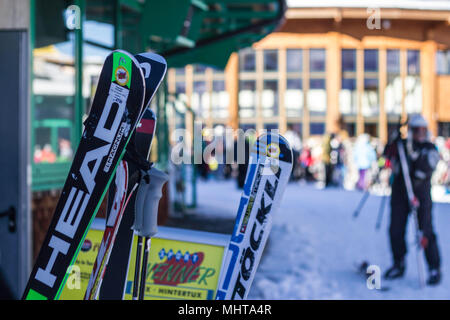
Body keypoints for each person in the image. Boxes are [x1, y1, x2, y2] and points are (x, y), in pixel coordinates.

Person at [383, 114, 442, 285]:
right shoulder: (401, 145)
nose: (419, 134)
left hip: (421, 194)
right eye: (416, 130)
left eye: (422, 130)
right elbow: (387, 156)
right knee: (395, 229)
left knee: (425, 230)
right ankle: (398, 263)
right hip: (400, 193)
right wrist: (392, 140)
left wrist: (417, 171)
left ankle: (434, 267)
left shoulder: (429, 147)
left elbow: (429, 166)